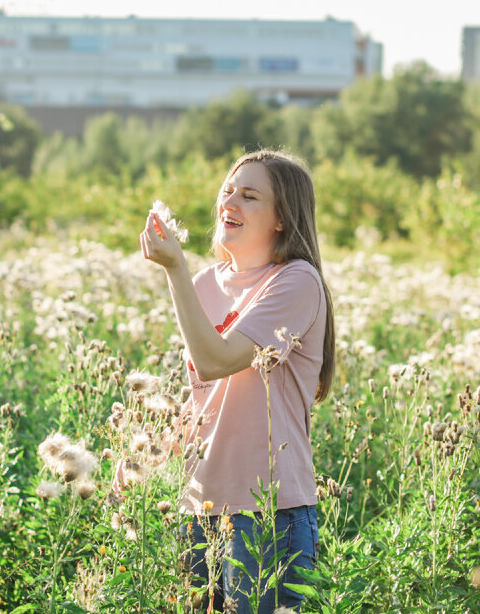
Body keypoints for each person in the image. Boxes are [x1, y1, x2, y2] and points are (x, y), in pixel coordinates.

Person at [139, 149, 336, 614]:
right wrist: (145, 455)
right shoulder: (207, 283)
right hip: (198, 506)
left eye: (249, 196)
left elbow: (215, 360)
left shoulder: (296, 281)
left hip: (267, 514)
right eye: (228, 191)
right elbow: (204, 396)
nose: (229, 202)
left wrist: (174, 268)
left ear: (282, 219)